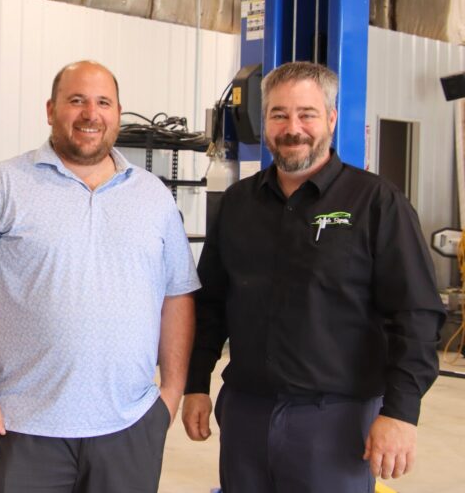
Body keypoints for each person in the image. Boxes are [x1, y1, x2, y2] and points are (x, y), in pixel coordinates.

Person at [182, 61, 445, 492]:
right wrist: (197, 383)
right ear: (264, 120)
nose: (293, 128)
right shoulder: (237, 204)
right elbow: (211, 303)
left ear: (331, 119)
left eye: (307, 113)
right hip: (246, 411)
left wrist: (400, 412)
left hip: (337, 419)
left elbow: (416, 314)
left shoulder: (377, 203)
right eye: (279, 114)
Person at [0, 60, 200, 493]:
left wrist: (171, 392)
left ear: (118, 114)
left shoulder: (153, 196)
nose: (90, 114)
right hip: (21, 425)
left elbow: (179, 294)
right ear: (50, 110)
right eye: (76, 100)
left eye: (103, 102)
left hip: (129, 424)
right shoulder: (1, 185)